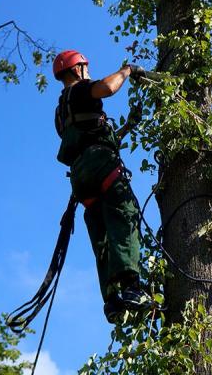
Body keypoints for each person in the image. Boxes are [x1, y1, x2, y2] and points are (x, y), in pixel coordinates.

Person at [53, 49, 148, 323]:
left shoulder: (61, 112)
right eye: (86, 67)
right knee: (123, 213)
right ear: (77, 69)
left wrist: (128, 126)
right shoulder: (80, 90)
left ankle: (112, 301)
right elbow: (108, 87)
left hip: (82, 177)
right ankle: (131, 287)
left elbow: (90, 136)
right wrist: (127, 70)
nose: (88, 72)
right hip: (99, 165)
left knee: (101, 234)